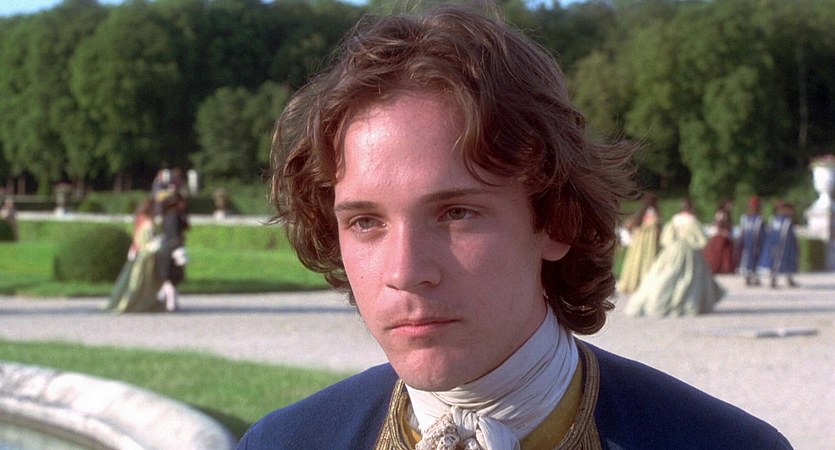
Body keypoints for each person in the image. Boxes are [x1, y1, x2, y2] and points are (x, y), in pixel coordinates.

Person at [238, 6, 791, 449]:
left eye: (456, 213)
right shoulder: (283, 443)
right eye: (365, 222)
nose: (405, 271)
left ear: (553, 220)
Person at [625, 199, 725, 317]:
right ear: (691, 208)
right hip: (690, 251)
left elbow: (665, 239)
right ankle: (687, 302)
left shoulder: (674, 220)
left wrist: (674, 244)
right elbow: (702, 240)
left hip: (673, 250)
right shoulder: (692, 221)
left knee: (665, 275)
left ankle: (658, 300)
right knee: (690, 278)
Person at [105, 197, 164, 313]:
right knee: (140, 282)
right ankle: (133, 303)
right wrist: (155, 244)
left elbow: (137, 237)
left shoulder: (141, 219)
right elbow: (145, 240)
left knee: (142, 282)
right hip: (146, 256)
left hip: (142, 254)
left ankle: (143, 303)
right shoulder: (148, 222)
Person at [617, 193, 661, 294]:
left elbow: (630, 225)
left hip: (640, 244)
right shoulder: (654, 214)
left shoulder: (645, 213)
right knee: (645, 263)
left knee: (638, 262)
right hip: (647, 245)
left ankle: (637, 284)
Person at [155, 191, 189, 311]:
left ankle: (162, 298)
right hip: (172, 250)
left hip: (171, 248)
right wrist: (178, 249)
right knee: (171, 277)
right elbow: (174, 235)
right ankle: (167, 301)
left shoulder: (173, 215)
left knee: (173, 278)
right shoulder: (172, 216)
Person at [757, 201, 799, 288]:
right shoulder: (787, 221)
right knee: (784, 262)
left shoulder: (773, 219)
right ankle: (778, 280)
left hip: (773, 244)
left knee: (776, 263)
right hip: (784, 246)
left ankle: (780, 280)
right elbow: (789, 236)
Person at [737, 196, 766, 286]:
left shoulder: (759, 219)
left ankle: (754, 277)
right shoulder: (745, 218)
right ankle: (748, 277)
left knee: (755, 260)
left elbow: (762, 233)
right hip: (747, 243)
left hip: (756, 243)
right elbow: (742, 231)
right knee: (747, 259)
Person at [703, 198, 736, 274]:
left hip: (725, 235)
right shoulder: (721, 213)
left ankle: (726, 267)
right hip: (719, 235)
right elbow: (718, 225)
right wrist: (724, 232)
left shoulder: (727, 214)